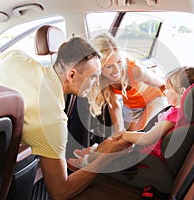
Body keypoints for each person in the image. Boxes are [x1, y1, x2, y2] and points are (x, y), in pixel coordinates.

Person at [0, 37, 131, 199]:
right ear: (71, 75)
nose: (97, 83)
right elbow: (60, 192)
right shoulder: (53, 120)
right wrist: (107, 156)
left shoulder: (18, 58)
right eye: (93, 77)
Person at [67, 66, 194, 170]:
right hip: (148, 152)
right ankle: (93, 153)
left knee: (117, 142)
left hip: (147, 157)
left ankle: (87, 162)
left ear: (181, 92)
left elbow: (147, 139)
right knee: (118, 139)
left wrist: (126, 135)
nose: (165, 91)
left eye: (168, 88)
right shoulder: (184, 113)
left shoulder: (174, 116)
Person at [69, 33, 167, 162]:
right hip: (132, 105)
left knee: (133, 136)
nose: (116, 71)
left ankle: (92, 159)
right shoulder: (101, 79)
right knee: (119, 136)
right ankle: (94, 153)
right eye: (108, 66)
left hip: (154, 99)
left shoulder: (135, 71)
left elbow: (162, 84)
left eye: (119, 62)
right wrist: (118, 133)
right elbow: (114, 105)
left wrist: (173, 108)